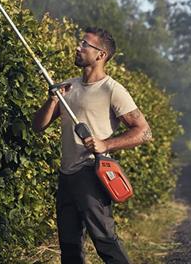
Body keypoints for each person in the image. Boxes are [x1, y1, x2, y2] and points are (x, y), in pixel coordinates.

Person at [32, 27, 152, 264]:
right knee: (69, 247)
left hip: (92, 175)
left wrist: (105, 143)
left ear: (101, 55)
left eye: (85, 44)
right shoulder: (68, 87)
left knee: (105, 242)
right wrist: (52, 99)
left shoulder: (112, 90)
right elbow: (38, 126)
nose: (78, 47)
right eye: (80, 42)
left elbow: (144, 132)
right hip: (66, 174)